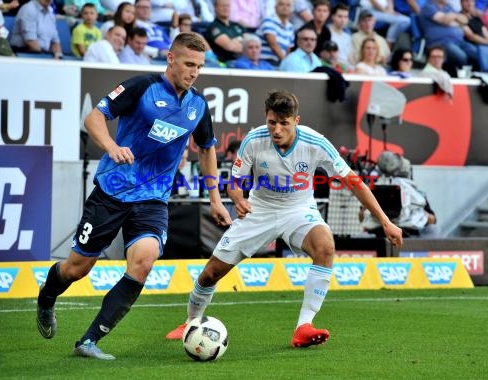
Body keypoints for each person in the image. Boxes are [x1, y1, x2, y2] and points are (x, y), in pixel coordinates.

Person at [36, 32, 232, 360]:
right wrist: (112, 147)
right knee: (77, 268)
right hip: (112, 192)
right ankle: (47, 297)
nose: (194, 72)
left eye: (199, 66)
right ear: (170, 58)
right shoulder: (141, 87)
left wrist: (214, 198)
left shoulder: (198, 105)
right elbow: (94, 118)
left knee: (143, 262)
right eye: (188, 64)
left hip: (153, 198)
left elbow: (207, 149)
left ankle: (88, 341)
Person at [165, 90, 403, 347]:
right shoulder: (254, 141)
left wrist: (385, 221)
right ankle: (191, 321)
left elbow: (354, 182)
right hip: (260, 210)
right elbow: (233, 183)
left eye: (283, 123)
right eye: (271, 122)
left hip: (299, 209)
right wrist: (237, 199)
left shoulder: (316, 142)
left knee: (325, 247)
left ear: (296, 121)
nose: (276, 129)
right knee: (211, 273)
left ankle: (304, 326)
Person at [360, 151, 439, 238]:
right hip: (381, 234)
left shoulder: (415, 193)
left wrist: (421, 215)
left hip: (408, 235)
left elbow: (432, 219)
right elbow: (362, 216)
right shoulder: (374, 190)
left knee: (433, 230)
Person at [419, 0, 478, 75]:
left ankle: (475, 75)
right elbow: (445, 20)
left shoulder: (448, 7)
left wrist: (452, 17)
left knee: (476, 53)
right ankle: (459, 75)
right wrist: (455, 17)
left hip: (459, 42)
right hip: (440, 43)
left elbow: (464, 20)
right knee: (461, 56)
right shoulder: (428, 7)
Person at [256, 0, 295, 66]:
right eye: (281, 4)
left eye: (288, 5)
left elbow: (288, 49)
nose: (285, 7)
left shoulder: (290, 27)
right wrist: (286, 64)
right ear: (275, 7)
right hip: (264, 62)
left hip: (280, 63)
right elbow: (273, 45)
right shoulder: (268, 20)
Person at [329, 3, 353, 68]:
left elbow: (350, 57)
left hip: (348, 69)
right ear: (333, 17)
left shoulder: (347, 37)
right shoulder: (327, 34)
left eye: (345, 17)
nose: (343, 20)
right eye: (340, 16)